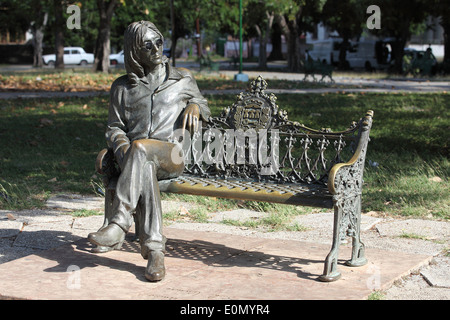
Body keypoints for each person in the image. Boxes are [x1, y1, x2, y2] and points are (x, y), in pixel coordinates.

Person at [88, 21, 210, 281]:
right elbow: (114, 129)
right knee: (143, 162)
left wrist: (196, 106)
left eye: (159, 42)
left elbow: (204, 105)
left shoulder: (182, 78)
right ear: (134, 51)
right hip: (137, 160)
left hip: (172, 156)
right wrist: (125, 153)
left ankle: (119, 223)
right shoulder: (122, 88)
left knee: (141, 150)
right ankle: (155, 251)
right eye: (147, 45)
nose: (156, 49)